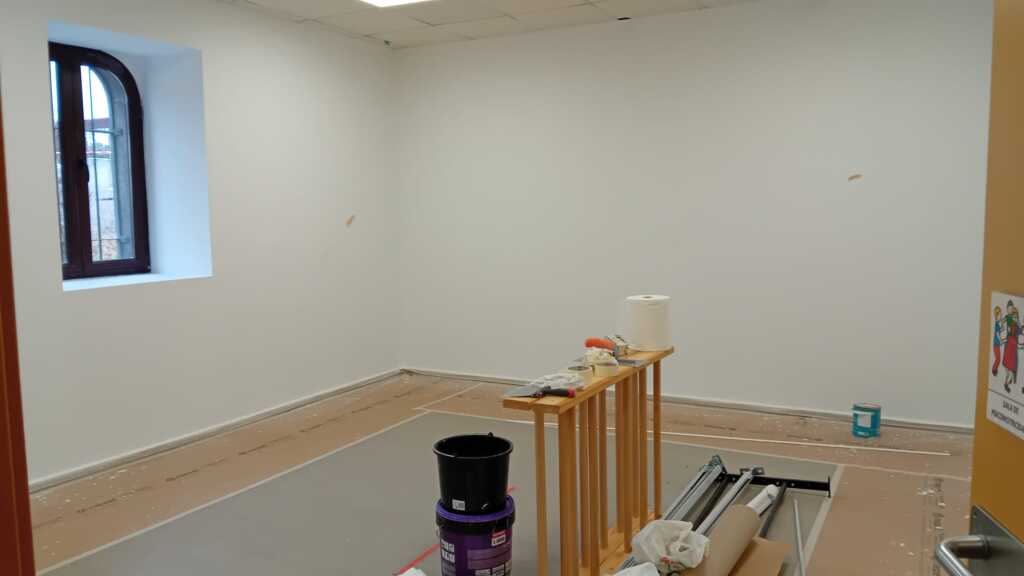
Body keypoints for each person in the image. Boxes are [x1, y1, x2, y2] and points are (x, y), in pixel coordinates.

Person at [1003, 300, 1020, 392]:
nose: (1014, 317)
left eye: (1016, 316)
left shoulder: (1016, 325)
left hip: (1012, 351)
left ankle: (1008, 382)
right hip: (1009, 350)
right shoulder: (1010, 323)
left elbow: (1019, 330)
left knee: (1011, 370)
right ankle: (1006, 384)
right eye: (1014, 316)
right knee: (1009, 371)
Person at [993, 306, 1004, 378]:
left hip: (997, 344)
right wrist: (1001, 341)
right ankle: (994, 370)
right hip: (996, 344)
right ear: (996, 316)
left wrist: (1002, 328)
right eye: (1000, 315)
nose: (1000, 316)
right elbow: (997, 334)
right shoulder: (996, 324)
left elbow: (1000, 330)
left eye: (1001, 315)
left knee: (998, 359)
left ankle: (995, 369)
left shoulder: (998, 324)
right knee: (998, 359)